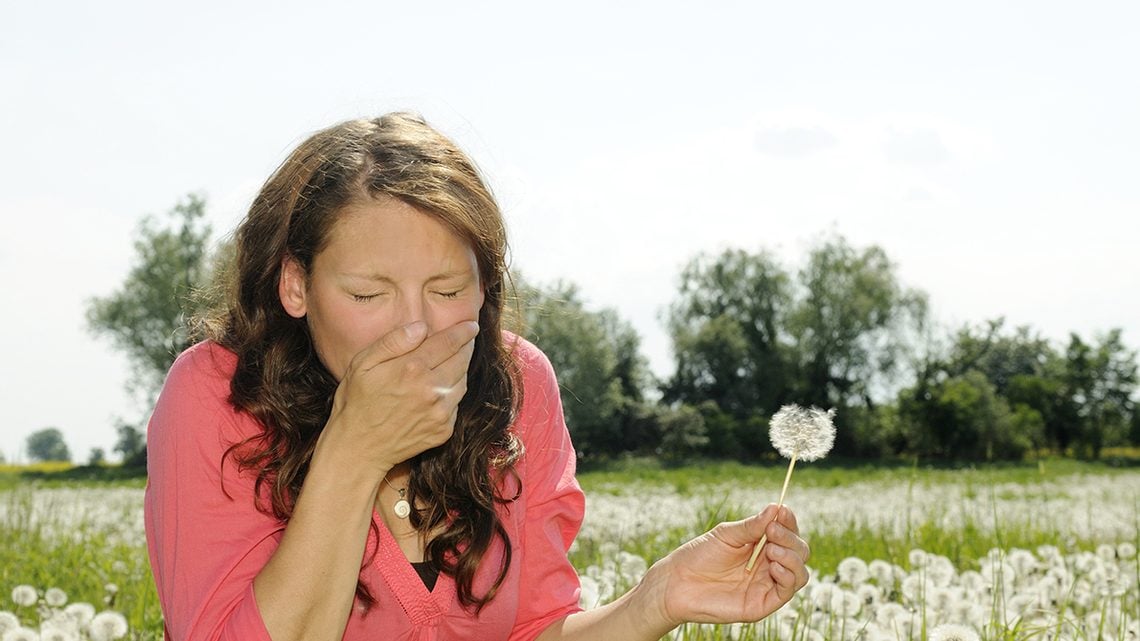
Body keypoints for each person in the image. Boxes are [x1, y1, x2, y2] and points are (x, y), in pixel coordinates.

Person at [144, 112, 811, 641]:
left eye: (447, 289)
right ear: (296, 284)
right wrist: (354, 453)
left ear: (486, 284)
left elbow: (533, 630)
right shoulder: (216, 395)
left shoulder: (517, 384)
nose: (416, 331)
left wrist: (657, 599)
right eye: (369, 295)